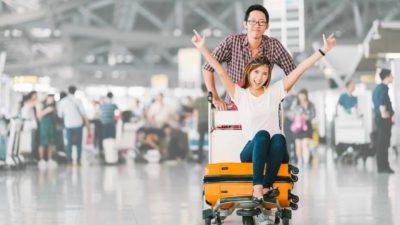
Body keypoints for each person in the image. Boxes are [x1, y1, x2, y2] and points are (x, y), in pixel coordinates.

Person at [192, 29, 336, 201]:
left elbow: (300, 69)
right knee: (262, 135)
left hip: (275, 152)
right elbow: (220, 71)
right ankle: (258, 188)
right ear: (249, 72)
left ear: (268, 77)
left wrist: (324, 50)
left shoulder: (275, 92)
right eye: (256, 72)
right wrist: (202, 48)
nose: (259, 78)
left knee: (279, 138)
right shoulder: (240, 94)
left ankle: (266, 186)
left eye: (264, 74)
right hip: (250, 153)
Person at [202, 4, 296, 110]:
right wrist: (215, 98)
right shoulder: (231, 42)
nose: (257, 25)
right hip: (234, 108)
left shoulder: (273, 45)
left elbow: (293, 73)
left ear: (267, 26)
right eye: (252, 21)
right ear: (245, 24)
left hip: (262, 108)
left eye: (261, 22)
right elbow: (207, 68)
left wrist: (278, 95)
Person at [58, 86, 90, 165]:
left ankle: (69, 159)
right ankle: (78, 159)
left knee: (69, 143)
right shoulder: (78, 101)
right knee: (79, 143)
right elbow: (83, 113)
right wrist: (88, 125)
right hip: (78, 124)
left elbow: (60, 115)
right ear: (75, 91)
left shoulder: (62, 101)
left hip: (68, 125)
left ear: (68, 91)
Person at [372, 69, 395, 174]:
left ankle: (383, 166)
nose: (392, 78)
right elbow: (382, 102)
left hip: (380, 119)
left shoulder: (378, 88)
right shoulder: (383, 88)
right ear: (386, 76)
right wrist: (385, 114)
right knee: (383, 143)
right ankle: (383, 166)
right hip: (383, 119)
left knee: (382, 143)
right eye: (391, 76)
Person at [291, 89, 316, 167]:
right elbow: (292, 114)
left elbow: (314, 115)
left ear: (306, 95)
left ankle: (305, 162)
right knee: (298, 145)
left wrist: (308, 117)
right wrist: (299, 116)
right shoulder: (295, 104)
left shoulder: (310, 104)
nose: (301, 97)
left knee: (305, 145)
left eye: (303, 95)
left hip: (307, 126)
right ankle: (300, 161)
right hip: (297, 127)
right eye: (300, 95)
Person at [37, 94, 58, 170]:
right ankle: (42, 160)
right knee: (43, 143)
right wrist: (46, 110)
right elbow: (39, 116)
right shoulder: (41, 105)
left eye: (52, 98)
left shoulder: (53, 107)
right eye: (50, 98)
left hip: (51, 126)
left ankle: (50, 159)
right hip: (44, 126)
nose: (51, 100)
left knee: (50, 143)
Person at [193, 83, 209, 163]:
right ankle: (213, 158)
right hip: (210, 122)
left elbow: (196, 114)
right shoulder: (211, 99)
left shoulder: (198, 100)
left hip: (201, 123)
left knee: (201, 140)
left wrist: (195, 125)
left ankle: (199, 159)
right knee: (213, 140)